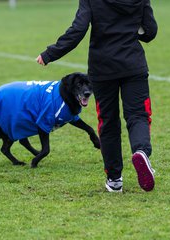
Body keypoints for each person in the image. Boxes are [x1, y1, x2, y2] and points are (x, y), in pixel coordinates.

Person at [36, 0, 158, 192]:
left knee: (108, 122)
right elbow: (150, 31)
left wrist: (51, 53)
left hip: (102, 68)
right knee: (138, 116)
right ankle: (141, 151)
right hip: (133, 64)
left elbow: (78, 30)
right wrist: (130, 32)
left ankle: (114, 178)